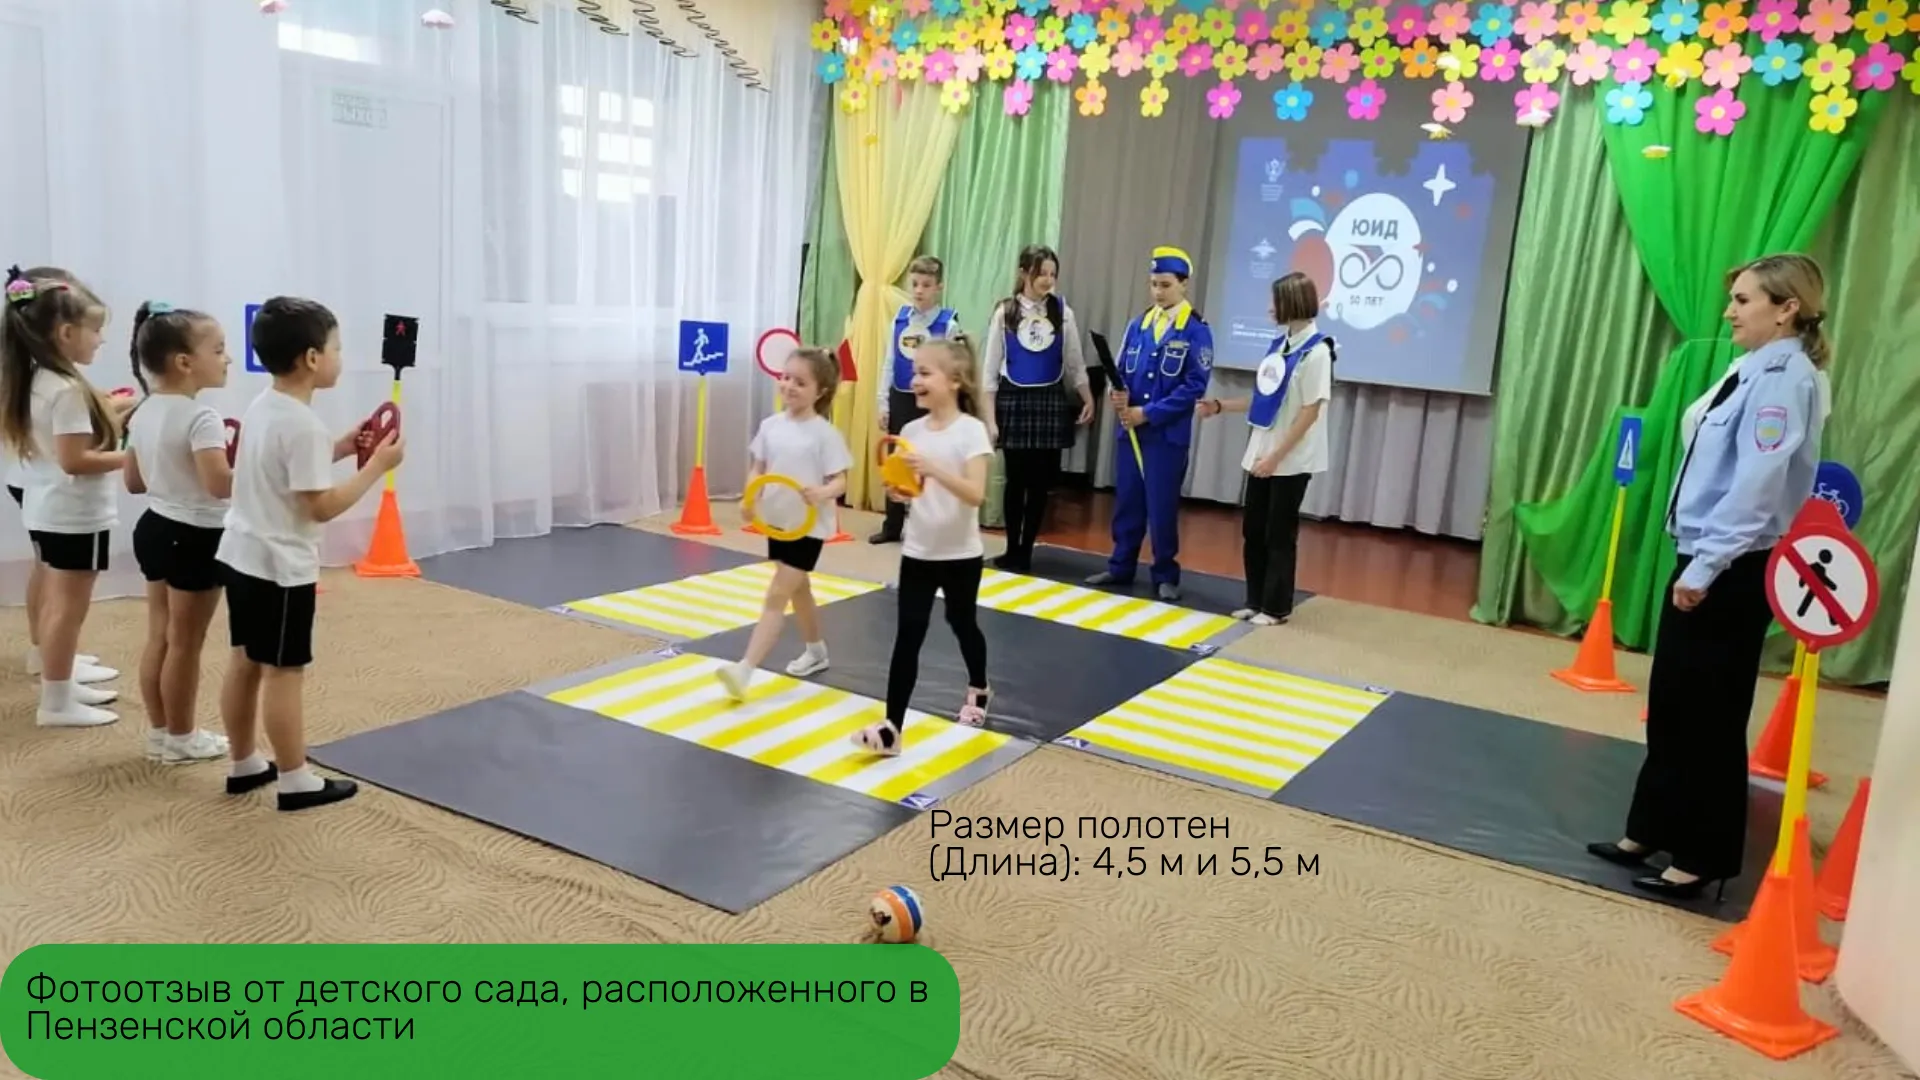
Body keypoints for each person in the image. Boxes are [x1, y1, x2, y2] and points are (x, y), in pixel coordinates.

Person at [1587, 253, 1831, 901]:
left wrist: (1707, 564)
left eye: (1744, 301)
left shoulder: (1786, 380)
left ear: (1787, 309)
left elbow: (1757, 485)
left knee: (1710, 715)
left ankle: (1701, 854)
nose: (1729, 312)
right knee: (1673, 705)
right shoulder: (1747, 367)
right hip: (1704, 554)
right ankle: (1651, 828)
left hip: (1731, 565)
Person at [215, 297, 403, 811]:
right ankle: (295, 779)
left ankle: (243, 762)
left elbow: (285, 470)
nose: (341, 357)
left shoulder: (266, 406)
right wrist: (376, 467)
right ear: (313, 358)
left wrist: (342, 446)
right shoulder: (302, 425)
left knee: (244, 660)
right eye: (337, 348)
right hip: (280, 567)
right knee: (284, 671)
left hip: (241, 554)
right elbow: (321, 506)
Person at [1, 265, 132, 728]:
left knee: (61, 604)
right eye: (95, 331)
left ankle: (59, 682)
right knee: (68, 609)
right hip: (73, 513)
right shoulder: (67, 389)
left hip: (50, 506)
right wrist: (132, 459)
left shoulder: (40, 379)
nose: (101, 340)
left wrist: (107, 413)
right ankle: (56, 701)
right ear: (66, 333)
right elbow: (75, 460)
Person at [855, 336, 995, 755]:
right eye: (914, 372)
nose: (915, 380)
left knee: (962, 623)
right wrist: (901, 491)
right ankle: (892, 729)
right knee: (908, 635)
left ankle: (980, 686)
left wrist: (933, 469)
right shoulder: (911, 431)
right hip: (918, 551)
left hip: (960, 555)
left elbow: (975, 494)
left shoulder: (971, 432)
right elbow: (913, 488)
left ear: (954, 380)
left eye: (924, 373)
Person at [123, 301, 235, 765]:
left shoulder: (142, 411)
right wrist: (260, 470)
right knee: (186, 644)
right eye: (219, 349)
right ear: (185, 362)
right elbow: (219, 486)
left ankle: (160, 733)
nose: (228, 358)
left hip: (154, 528)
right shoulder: (201, 417)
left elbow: (134, 482)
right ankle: (183, 737)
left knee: (161, 636)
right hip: (194, 537)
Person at [1197, 271, 1334, 625]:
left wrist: (1276, 457)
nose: (1270, 308)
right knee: (1254, 529)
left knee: (1279, 533)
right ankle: (1255, 600)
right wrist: (1220, 406)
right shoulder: (1278, 346)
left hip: (1290, 457)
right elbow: (1264, 398)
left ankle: (1276, 607)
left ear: (1292, 302)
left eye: (1276, 301)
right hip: (1263, 450)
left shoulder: (1318, 352)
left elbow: (1310, 412)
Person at [715, 346, 853, 700]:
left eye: (800, 382)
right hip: (778, 521)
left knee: (778, 593)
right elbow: (758, 468)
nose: (789, 386)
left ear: (820, 391)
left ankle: (745, 669)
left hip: (809, 527)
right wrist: (750, 498)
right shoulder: (771, 426)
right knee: (798, 589)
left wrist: (822, 492)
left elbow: (841, 481)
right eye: (785, 377)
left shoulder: (824, 434)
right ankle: (816, 650)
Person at [1085, 245, 1213, 602]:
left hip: (1165, 435)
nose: (1158, 292)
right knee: (1128, 500)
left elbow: (1194, 386)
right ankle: (1120, 565)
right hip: (1131, 431)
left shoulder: (1196, 330)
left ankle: (1165, 573)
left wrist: (1149, 412)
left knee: (1161, 506)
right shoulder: (1138, 325)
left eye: (1166, 285)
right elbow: (1121, 371)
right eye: (1154, 284)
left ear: (1183, 284)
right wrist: (1117, 394)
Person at [979, 245, 1094, 571]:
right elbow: (989, 372)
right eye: (1041, 273)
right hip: (1014, 399)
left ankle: (1027, 550)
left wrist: (1087, 396)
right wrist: (991, 420)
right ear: (1023, 272)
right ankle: (1012, 548)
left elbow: (1074, 361)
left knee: (1040, 483)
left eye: (1052, 274)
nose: (1047, 279)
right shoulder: (1005, 313)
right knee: (1015, 481)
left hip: (1049, 400)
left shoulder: (1063, 312)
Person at [870, 256, 960, 545]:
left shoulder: (948, 324)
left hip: (931, 403)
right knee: (897, 461)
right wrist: (882, 402)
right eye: (915, 284)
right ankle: (892, 525)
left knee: (930, 460)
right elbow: (889, 362)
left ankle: (930, 524)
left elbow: (953, 370)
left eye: (926, 285)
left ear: (939, 287)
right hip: (900, 396)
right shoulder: (900, 320)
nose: (919, 290)